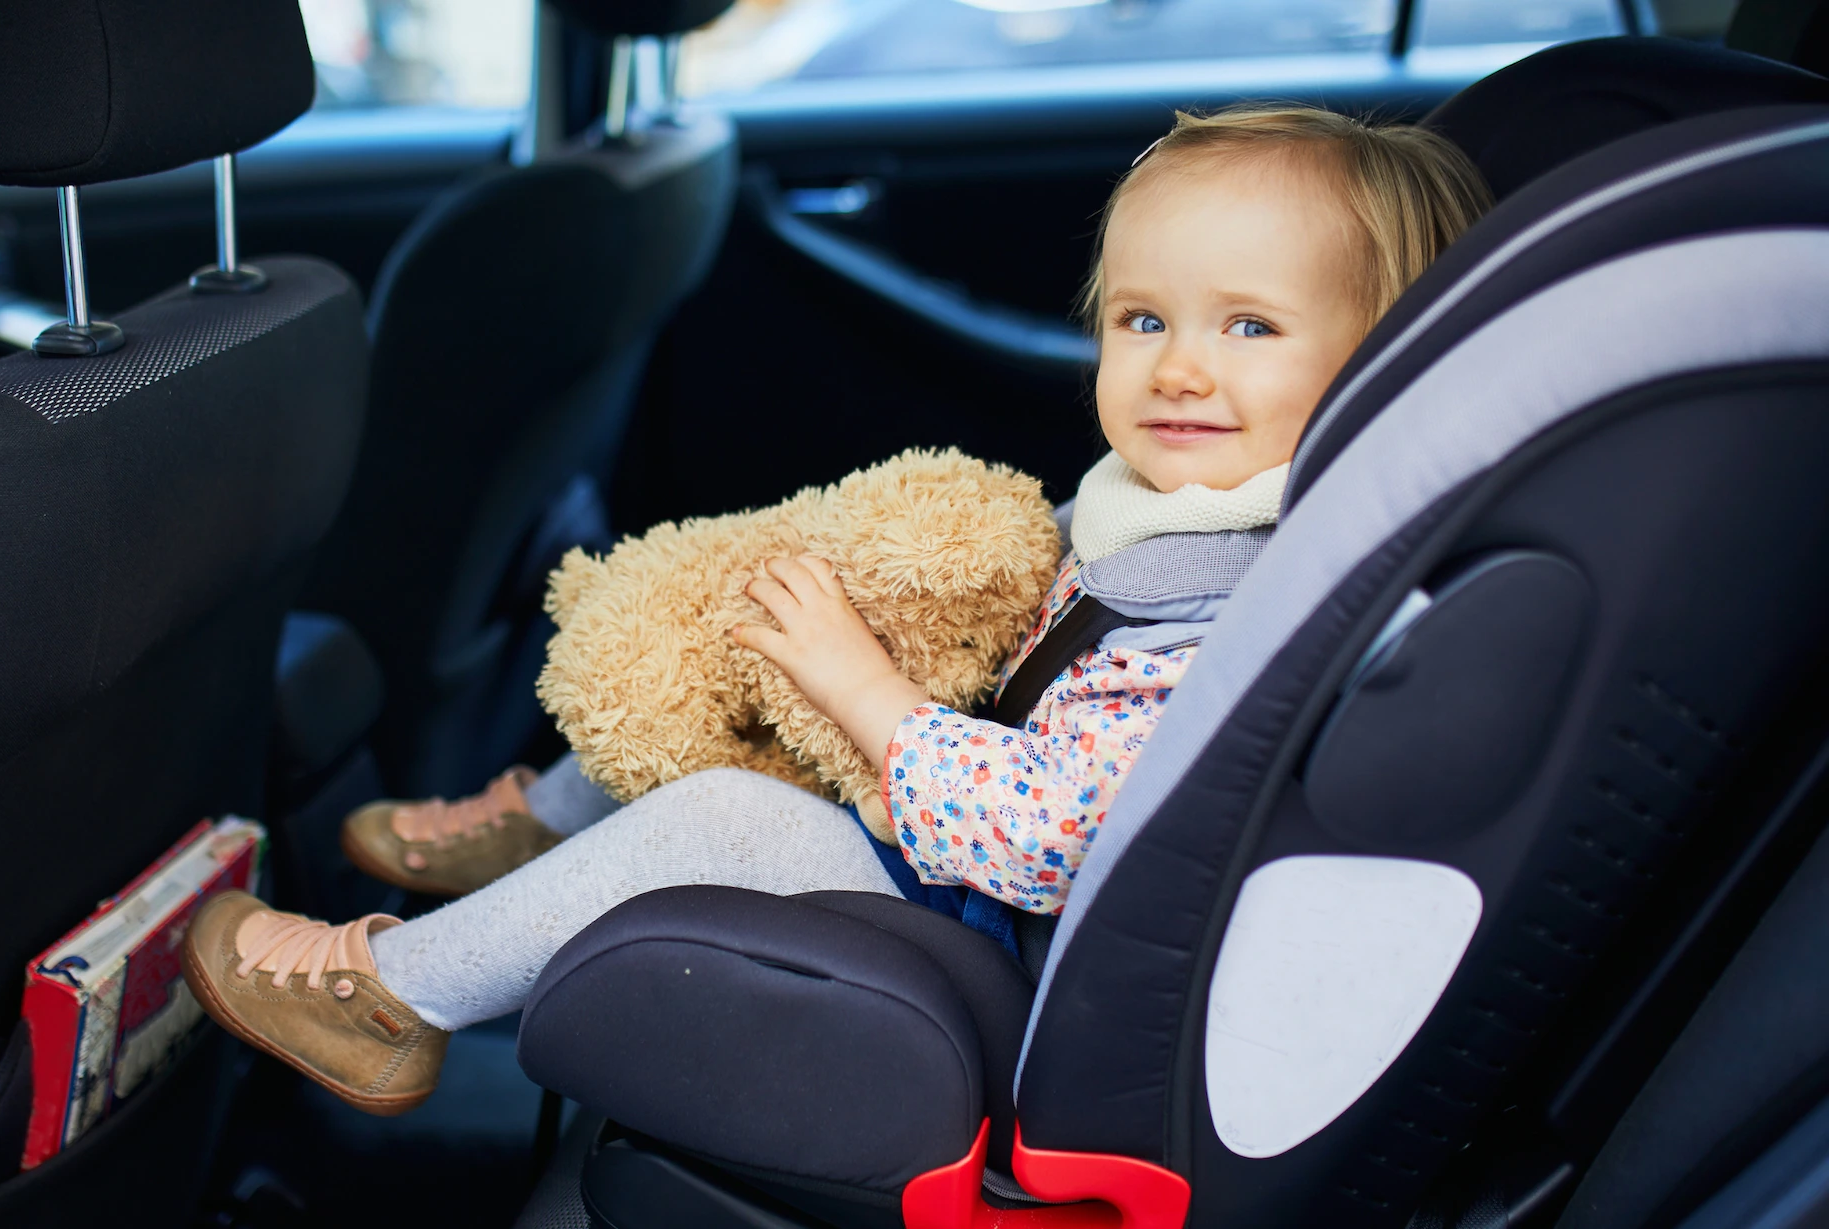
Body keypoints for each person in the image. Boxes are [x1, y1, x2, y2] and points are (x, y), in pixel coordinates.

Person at [182, 106, 1493, 1115]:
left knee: (729, 811)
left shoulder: (1248, 605)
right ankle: (537, 831)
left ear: (1386, 361)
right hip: (974, 866)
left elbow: (1048, 839)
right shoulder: (1186, 530)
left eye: (1251, 327)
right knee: (737, 657)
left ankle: (393, 1002)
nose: (1180, 366)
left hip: (1024, 971)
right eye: (1142, 318)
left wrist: (873, 691)